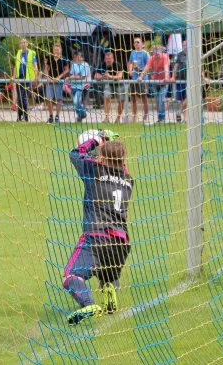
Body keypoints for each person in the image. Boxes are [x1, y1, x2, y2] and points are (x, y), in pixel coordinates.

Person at [64, 130, 134, 325]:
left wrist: (96, 139)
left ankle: (88, 304)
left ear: (101, 158)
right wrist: (109, 144)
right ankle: (110, 294)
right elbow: (118, 162)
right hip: (121, 244)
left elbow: (76, 154)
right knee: (107, 271)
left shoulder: (94, 171)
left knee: (71, 275)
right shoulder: (128, 180)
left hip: (96, 237)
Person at [171, 40, 209, 123]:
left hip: (191, 80)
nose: (185, 46)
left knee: (189, 98)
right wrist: (173, 76)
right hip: (181, 80)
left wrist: (204, 77)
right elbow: (176, 66)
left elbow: (199, 67)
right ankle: (185, 119)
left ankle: (179, 112)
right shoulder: (180, 55)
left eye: (187, 45)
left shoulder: (193, 55)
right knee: (182, 100)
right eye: (184, 45)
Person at [138, 45, 170, 123]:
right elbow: (146, 68)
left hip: (163, 82)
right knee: (157, 101)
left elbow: (166, 68)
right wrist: (141, 76)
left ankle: (162, 119)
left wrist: (166, 77)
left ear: (160, 51)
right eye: (154, 52)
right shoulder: (152, 59)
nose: (156, 54)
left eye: (157, 51)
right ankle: (160, 118)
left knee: (161, 100)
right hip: (155, 82)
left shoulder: (165, 57)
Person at [12, 38, 39, 122]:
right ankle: (19, 116)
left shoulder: (32, 53)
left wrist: (35, 77)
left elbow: (35, 66)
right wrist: (13, 77)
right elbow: (16, 66)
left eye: (24, 42)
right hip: (19, 78)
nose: (23, 44)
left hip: (27, 78)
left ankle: (25, 115)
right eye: (21, 43)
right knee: (19, 97)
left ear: (27, 44)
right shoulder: (18, 53)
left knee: (24, 97)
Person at [95, 51, 125, 123]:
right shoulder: (102, 65)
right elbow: (96, 76)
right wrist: (103, 76)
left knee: (121, 100)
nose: (108, 60)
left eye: (110, 59)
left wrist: (110, 76)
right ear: (105, 59)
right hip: (108, 83)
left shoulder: (118, 65)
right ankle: (106, 118)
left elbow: (120, 76)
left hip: (118, 84)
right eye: (107, 59)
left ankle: (118, 118)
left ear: (113, 59)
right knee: (107, 97)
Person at [44, 43, 69, 123]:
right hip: (50, 81)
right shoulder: (50, 58)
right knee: (49, 98)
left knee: (59, 99)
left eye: (58, 50)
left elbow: (66, 70)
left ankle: (57, 116)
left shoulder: (64, 59)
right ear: (53, 50)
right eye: (55, 49)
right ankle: (51, 116)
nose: (56, 51)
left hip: (58, 81)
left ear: (60, 50)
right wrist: (47, 77)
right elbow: (46, 69)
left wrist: (59, 77)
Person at [127, 36, 150, 122]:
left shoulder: (145, 53)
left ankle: (145, 117)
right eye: (135, 42)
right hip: (134, 78)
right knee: (133, 97)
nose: (136, 44)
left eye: (138, 42)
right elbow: (130, 63)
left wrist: (142, 73)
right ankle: (134, 116)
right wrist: (130, 70)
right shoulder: (133, 53)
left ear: (142, 44)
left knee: (144, 97)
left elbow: (148, 66)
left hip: (143, 79)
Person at [68, 51, 88, 122]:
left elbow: (83, 77)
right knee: (75, 103)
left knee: (76, 101)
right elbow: (71, 74)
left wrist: (73, 77)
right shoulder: (74, 65)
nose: (79, 58)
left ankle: (83, 113)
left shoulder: (85, 65)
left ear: (82, 58)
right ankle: (80, 116)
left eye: (80, 57)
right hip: (73, 86)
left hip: (79, 87)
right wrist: (71, 77)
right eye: (78, 57)